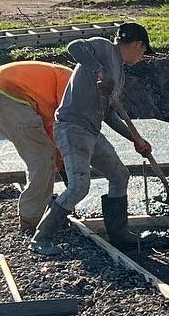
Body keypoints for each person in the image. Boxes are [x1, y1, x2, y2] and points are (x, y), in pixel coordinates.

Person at [31, 23, 153, 254]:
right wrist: (99, 70)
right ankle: (41, 239)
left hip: (92, 131)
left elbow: (109, 114)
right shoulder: (104, 48)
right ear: (138, 45)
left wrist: (135, 139)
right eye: (144, 51)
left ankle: (119, 235)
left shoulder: (120, 75)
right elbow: (74, 46)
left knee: (119, 175)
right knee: (79, 187)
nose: (142, 57)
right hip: (72, 127)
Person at [0, 59, 71, 233]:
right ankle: (32, 220)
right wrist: (71, 176)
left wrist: (63, 167)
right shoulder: (73, 84)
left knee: (42, 151)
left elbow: (52, 137)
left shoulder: (52, 93)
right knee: (41, 156)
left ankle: (38, 208)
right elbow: (69, 129)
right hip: (5, 93)